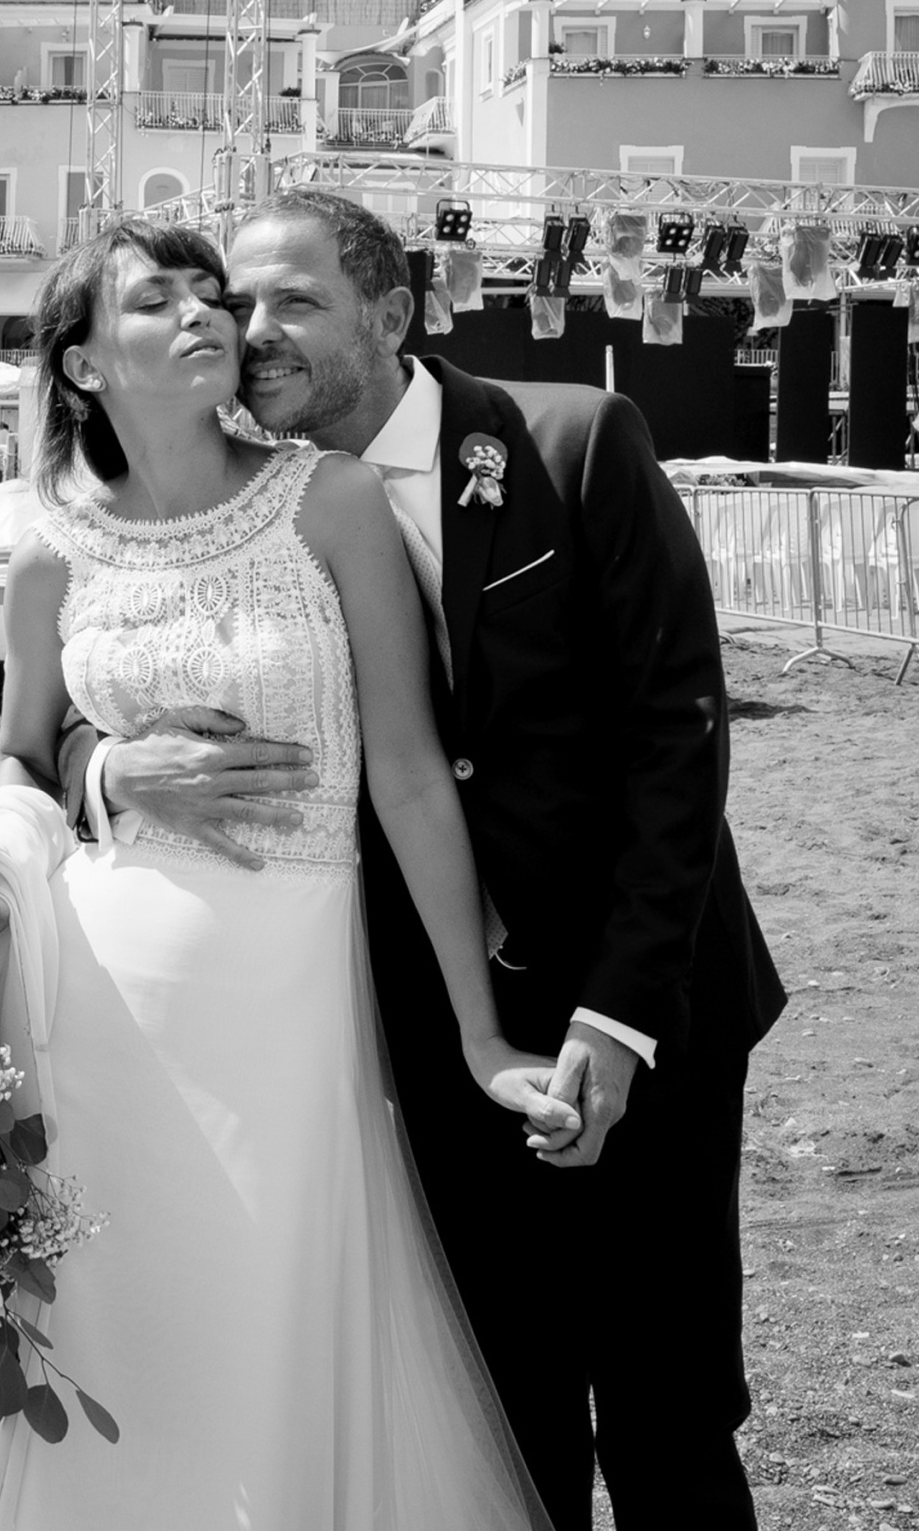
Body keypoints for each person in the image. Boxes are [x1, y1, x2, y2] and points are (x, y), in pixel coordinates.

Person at [52, 190, 787, 1531]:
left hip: (645, 1005)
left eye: (293, 302)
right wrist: (107, 772)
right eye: (233, 300)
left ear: (390, 315)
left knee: (668, 1409)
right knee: (499, 1417)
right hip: (405, 1035)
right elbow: (62, 706)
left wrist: (615, 1020)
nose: (247, 329)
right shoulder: (227, 504)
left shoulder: (570, 442)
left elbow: (674, 742)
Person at [0, 215, 566, 1531]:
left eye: (210, 295)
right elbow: (18, 764)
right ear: (81, 368)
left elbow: (410, 777)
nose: (205, 315)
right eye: (153, 301)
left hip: (288, 986)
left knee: (268, 1306)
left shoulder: (331, 504)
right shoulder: (43, 556)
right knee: (117, 1315)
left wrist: (480, 1035)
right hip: (95, 999)